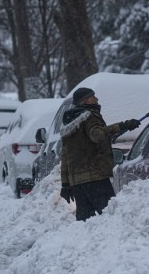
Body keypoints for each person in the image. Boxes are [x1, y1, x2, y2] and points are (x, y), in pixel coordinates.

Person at [59, 87, 140, 221]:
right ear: (85, 101)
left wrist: (66, 184)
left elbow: (66, 156)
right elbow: (97, 135)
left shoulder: (69, 124)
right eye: (93, 96)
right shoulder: (89, 116)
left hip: (77, 184)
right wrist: (122, 125)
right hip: (95, 178)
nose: (96, 99)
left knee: (84, 223)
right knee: (110, 217)